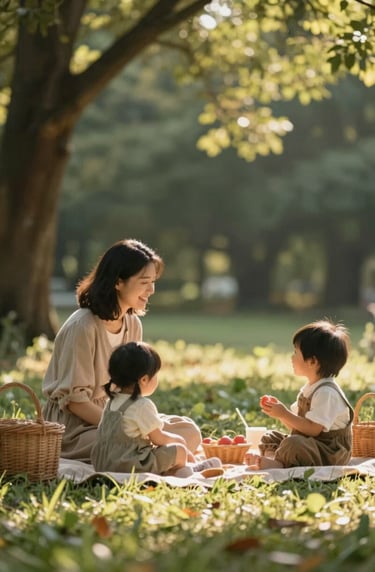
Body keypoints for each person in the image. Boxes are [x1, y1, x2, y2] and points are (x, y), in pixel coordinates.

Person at [42, 238, 202, 463]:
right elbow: (75, 402)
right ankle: (149, 456)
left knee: (188, 431)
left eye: (153, 281)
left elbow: (131, 388)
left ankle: (149, 455)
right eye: (144, 281)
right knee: (135, 444)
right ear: (118, 282)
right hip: (75, 427)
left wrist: (143, 423)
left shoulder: (133, 324)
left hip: (119, 413)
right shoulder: (83, 326)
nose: (151, 289)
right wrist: (128, 428)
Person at [91, 341, 221, 477]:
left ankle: (182, 469)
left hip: (104, 463)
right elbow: (158, 439)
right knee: (180, 450)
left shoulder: (111, 401)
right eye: (156, 374)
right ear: (144, 380)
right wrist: (179, 440)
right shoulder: (141, 405)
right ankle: (188, 469)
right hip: (130, 465)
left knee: (164, 451)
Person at [245, 319, 354, 470]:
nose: (292, 357)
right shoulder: (309, 388)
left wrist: (284, 413)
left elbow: (312, 429)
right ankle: (271, 459)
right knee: (270, 436)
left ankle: (278, 463)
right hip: (310, 442)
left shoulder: (326, 393)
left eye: (296, 353)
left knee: (293, 444)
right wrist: (280, 414)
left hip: (329, 453)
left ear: (313, 361)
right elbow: (298, 425)